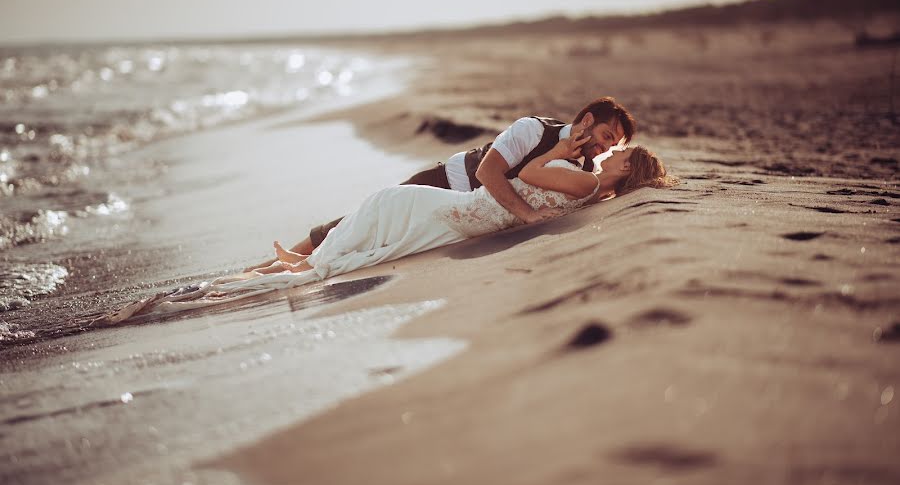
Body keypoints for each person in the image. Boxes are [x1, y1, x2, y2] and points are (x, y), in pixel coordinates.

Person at [96, 130, 673, 325]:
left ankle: (255, 276)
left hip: (448, 214)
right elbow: (532, 177)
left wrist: (569, 153)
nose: (606, 157)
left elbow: (530, 171)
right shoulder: (590, 188)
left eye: (618, 157)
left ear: (625, 173)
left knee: (356, 231)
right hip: (447, 214)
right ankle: (276, 270)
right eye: (610, 152)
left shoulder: (589, 184)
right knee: (354, 235)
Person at [244, 96, 636, 272]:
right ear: (586, 119)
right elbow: (487, 173)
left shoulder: (585, 167)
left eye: (611, 145)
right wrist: (528, 214)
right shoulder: (532, 129)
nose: (602, 147)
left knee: (376, 240)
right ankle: (270, 265)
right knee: (361, 225)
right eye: (603, 134)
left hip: (468, 214)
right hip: (447, 182)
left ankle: (298, 264)